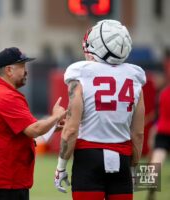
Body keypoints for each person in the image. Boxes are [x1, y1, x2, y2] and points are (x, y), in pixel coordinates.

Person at [54, 20, 146, 200]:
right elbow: (138, 134)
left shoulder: (80, 73)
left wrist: (61, 166)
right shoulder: (135, 78)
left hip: (88, 158)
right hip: (122, 159)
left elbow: (71, 130)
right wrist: (133, 168)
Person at [0, 47, 66, 200]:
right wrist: (56, 116)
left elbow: (19, 132)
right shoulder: (7, 96)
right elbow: (34, 130)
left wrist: (52, 127)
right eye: (22, 67)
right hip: (7, 180)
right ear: (9, 70)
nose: (26, 71)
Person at [147, 85, 170, 200]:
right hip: (164, 130)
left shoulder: (164, 92)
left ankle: (149, 190)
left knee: (155, 162)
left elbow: (158, 114)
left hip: (162, 130)